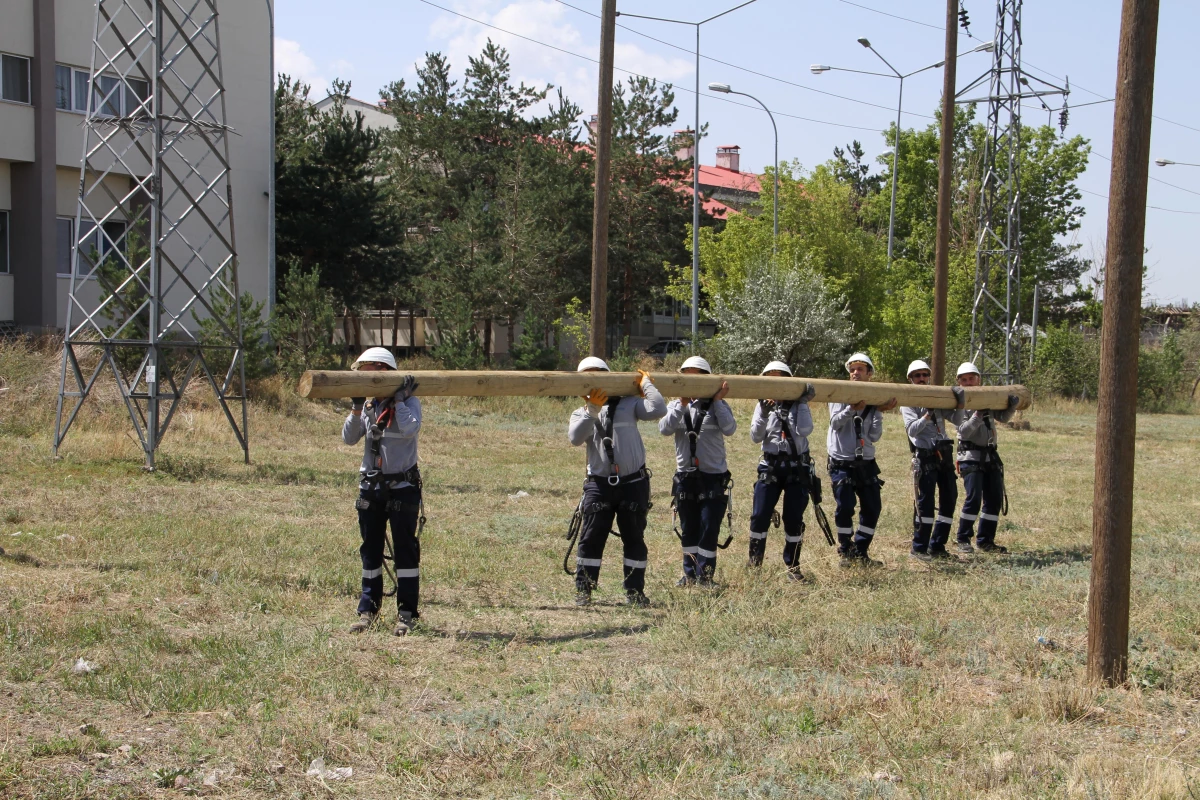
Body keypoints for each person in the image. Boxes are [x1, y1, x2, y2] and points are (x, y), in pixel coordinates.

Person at [568, 357, 667, 606]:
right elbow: (575, 438)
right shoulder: (581, 413)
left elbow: (658, 409)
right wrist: (592, 410)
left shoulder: (630, 404)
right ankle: (584, 591)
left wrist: (646, 384)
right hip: (599, 485)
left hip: (633, 483)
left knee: (634, 539)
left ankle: (635, 592)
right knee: (591, 538)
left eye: (599, 376)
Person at [341, 347, 424, 636]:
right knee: (370, 552)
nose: (361, 375)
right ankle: (368, 611)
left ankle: (407, 613)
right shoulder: (367, 407)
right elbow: (349, 438)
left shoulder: (410, 402)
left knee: (405, 552)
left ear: (383, 371)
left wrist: (399, 401)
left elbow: (409, 429)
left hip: (402, 488)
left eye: (366, 370)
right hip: (371, 488)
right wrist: (354, 409)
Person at [659, 356, 736, 587]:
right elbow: (664, 429)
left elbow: (730, 428)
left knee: (709, 526)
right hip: (686, 476)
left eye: (698, 375)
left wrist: (718, 401)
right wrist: (682, 403)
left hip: (713, 476)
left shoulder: (718, 405)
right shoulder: (676, 405)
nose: (692, 379)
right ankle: (690, 574)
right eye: (687, 374)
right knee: (689, 527)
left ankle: (706, 576)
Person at [747, 361, 817, 580]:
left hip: (797, 468)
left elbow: (805, 430)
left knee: (793, 518)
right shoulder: (763, 405)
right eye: (771, 378)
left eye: (780, 378)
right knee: (759, 517)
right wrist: (764, 413)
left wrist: (803, 402)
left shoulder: (797, 405)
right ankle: (754, 563)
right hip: (770, 467)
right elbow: (756, 436)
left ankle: (793, 566)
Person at [827, 353, 897, 566]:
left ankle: (861, 550)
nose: (855, 373)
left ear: (869, 374)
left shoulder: (874, 400)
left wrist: (877, 411)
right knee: (845, 506)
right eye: (852, 369)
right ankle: (846, 550)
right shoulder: (840, 393)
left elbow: (874, 436)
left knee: (873, 506)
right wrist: (851, 409)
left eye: (860, 369)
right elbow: (835, 423)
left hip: (865, 462)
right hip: (842, 461)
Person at [900, 359, 965, 561]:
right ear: (910, 379)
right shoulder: (908, 401)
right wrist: (928, 414)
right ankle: (919, 548)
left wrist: (960, 404)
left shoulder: (938, 396)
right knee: (925, 504)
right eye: (917, 376)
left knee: (949, 499)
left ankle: (937, 546)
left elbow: (957, 419)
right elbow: (912, 430)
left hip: (943, 455)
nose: (921, 379)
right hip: (925, 456)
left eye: (924, 375)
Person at [953, 362, 1021, 553]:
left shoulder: (987, 397)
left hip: (990, 456)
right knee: (974, 498)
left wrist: (1011, 407)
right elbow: (964, 431)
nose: (968, 382)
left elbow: (1003, 418)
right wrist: (977, 414)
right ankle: (963, 538)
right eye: (964, 380)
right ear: (959, 382)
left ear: (978, 379)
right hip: (969, 456)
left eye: (971, 378)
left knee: (994, 499)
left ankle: (985, 541)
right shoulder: (958, 402)